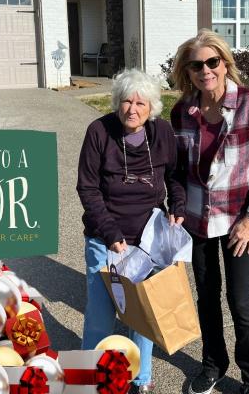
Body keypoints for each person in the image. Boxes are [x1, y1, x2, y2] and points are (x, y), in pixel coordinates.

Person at [170, 29, 249, 394]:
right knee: (206, 298)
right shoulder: (181, 113)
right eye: (196, 65)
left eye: (212, 62)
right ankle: (213, 364)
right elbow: (175, 171)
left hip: (240, 221)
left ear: (225, 64)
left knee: (240, 302)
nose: (205, 70)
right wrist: (175, 209)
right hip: (198, 221)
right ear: (187, 71)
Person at [76, 68, 186, 393]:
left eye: (140, 103)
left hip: (149, 239)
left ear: (151, 107)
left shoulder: (162, 133)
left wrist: (177, 207)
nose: (132, 109)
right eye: (126, 101)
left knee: (143, 315)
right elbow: (87, 188)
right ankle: (91, 376)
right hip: (106, 239)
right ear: (116, 102)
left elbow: (175, 177)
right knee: (100, 314)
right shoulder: (99, 132)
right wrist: (110, 232)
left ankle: (141, 377)